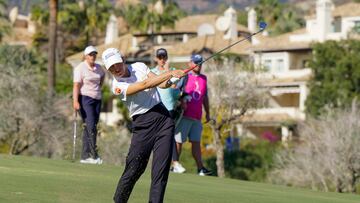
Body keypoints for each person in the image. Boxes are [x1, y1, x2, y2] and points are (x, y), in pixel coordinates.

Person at [101, 48, 185, 203]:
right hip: (142, 125)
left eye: (117, 64)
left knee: (160, 171)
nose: (116, 69)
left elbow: (162, 84)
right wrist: (170, 73)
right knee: (134, 169)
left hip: (163, 119)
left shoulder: (139, 66)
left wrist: (172, 80)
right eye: (111, 67)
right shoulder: (117, 85)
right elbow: (144, 85)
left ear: (123, 59)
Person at [172, 54, 212, 176]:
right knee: (179, 142)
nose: (198, 65)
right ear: (190, 63)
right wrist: (182, 101)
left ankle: (200, 169)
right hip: (184, 115)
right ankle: (175, 165)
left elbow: (205, 97)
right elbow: (175, 90)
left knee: (196, 143)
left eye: (200, 63)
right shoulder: (185, 77)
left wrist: (208, 114)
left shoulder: (204, 78)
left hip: (197, 116)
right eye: (196, 63)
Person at [73, 45, 105, 164]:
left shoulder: (99, 67)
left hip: (97, 99)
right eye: (91, 54)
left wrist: (97, 88)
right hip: (85, 99)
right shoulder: (80, 68)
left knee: (91, 127)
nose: (93, 56)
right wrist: (75, 101)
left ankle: (85, 156)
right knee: (90, 125)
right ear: (86, 56)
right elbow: (76, 85)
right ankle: (93, 155)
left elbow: (102, 77)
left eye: (94, 54)